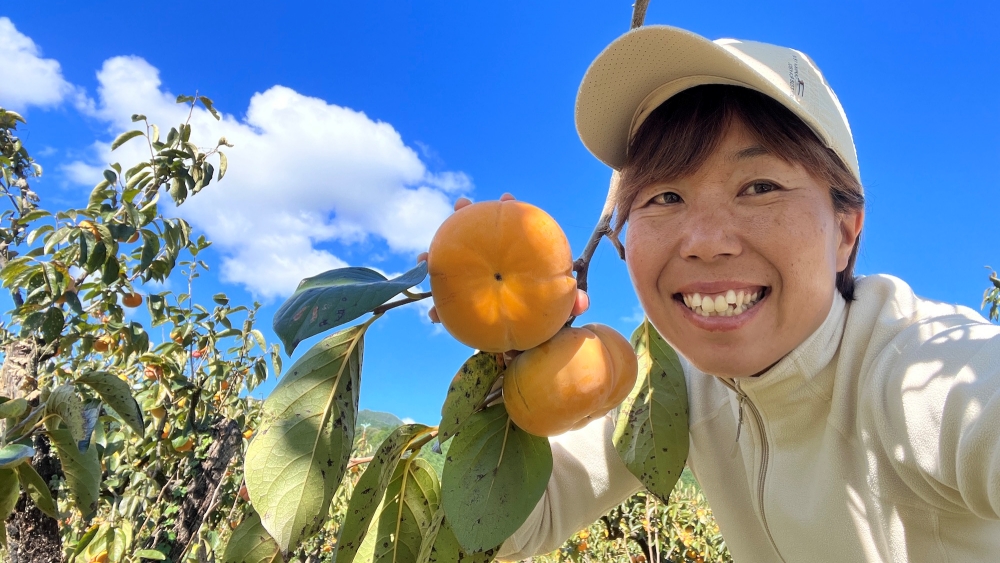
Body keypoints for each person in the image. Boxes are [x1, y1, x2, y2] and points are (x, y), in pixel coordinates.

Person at [460, 25, 1000, 563]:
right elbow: (505, 526)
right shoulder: (673, 389)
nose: (705, 243)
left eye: (759, 187)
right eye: (665, 196)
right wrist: (509, 330)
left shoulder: (916, 370)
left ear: (844, 231)